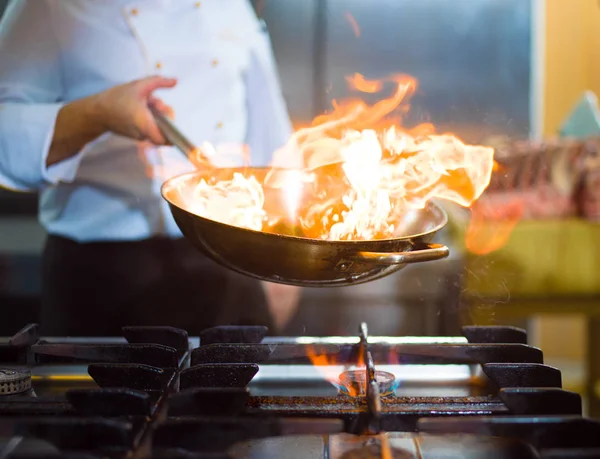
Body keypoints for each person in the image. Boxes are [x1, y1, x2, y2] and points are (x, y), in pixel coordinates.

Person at [0, 0, 301, 336]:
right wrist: (98, 114)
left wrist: (283, 263)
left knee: (241, 388)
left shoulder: (231, 6)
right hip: (104, 276)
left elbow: (274, 143)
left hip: (230, 263)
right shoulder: (50, 6)